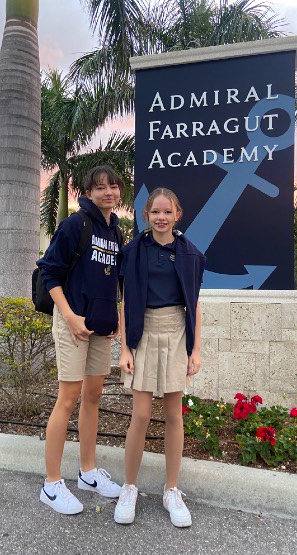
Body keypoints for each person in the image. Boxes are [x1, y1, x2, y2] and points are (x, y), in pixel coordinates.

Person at [115, 188, 205, 527]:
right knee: (140, 415)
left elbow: (194, 303)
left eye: (167, 212)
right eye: (155, 212)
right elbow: (126, 301)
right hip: (142, 332)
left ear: (177, 214)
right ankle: (129, 487)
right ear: (146, 215)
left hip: (177, 331)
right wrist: (125, 348)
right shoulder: (133, 252)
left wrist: (196, 349)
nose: (161, 217)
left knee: (173, 414)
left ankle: (171, 490)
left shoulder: (190, 254)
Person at [36, 165, 123, 515]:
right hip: (73, 322)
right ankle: (51, 484)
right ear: (87, 193)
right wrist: (70, 317)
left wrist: (116, 316)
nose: (108, 192)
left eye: (113, 186)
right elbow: (49, 272)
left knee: (94, 396)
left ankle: (88, 472)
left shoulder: (116, 231)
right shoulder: (74, 225)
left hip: (101, 326)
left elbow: (112, 280)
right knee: (68, 397)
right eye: (100, 187)